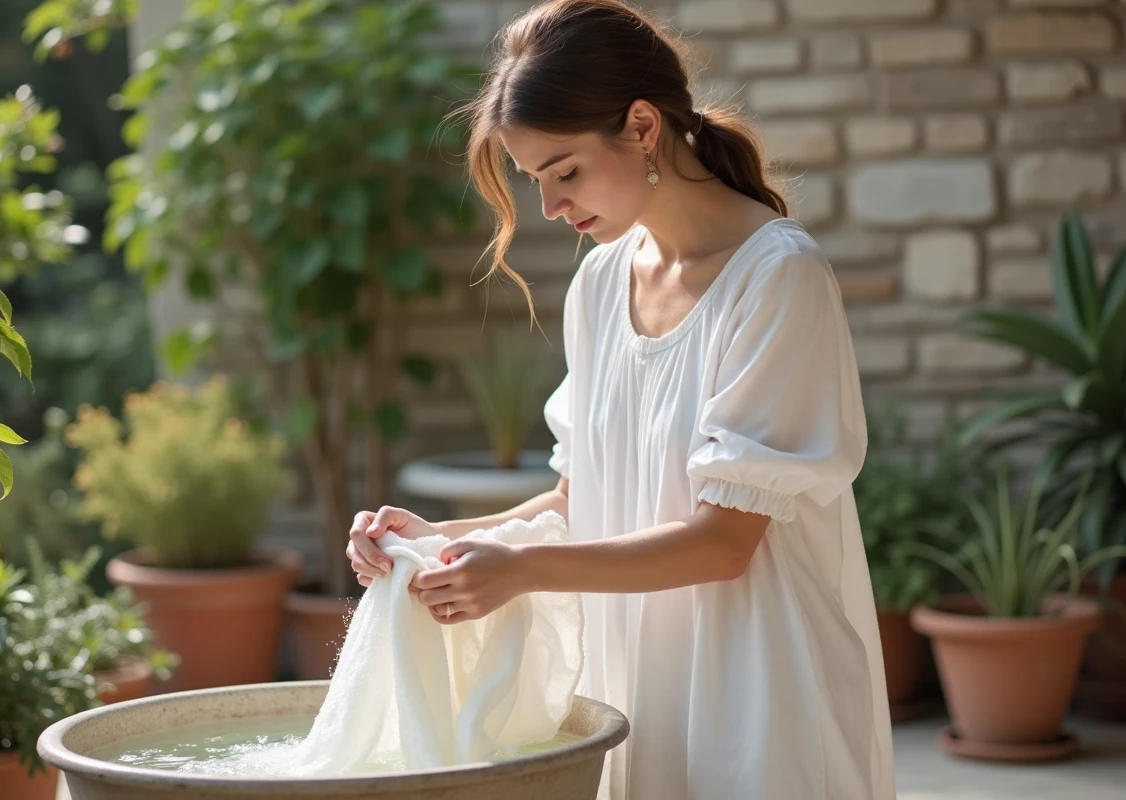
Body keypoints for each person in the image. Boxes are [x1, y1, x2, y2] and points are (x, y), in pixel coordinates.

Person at [346, 1, 894, 798]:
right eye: (535, 181)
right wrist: (438, 540)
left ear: (643, 127)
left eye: (564, 171)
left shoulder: (778, 278)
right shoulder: (602, 282)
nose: (550, 209)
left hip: (757, 692)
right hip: (633, 678)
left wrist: (522, 569)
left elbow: (724, 543)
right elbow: (583, 498)